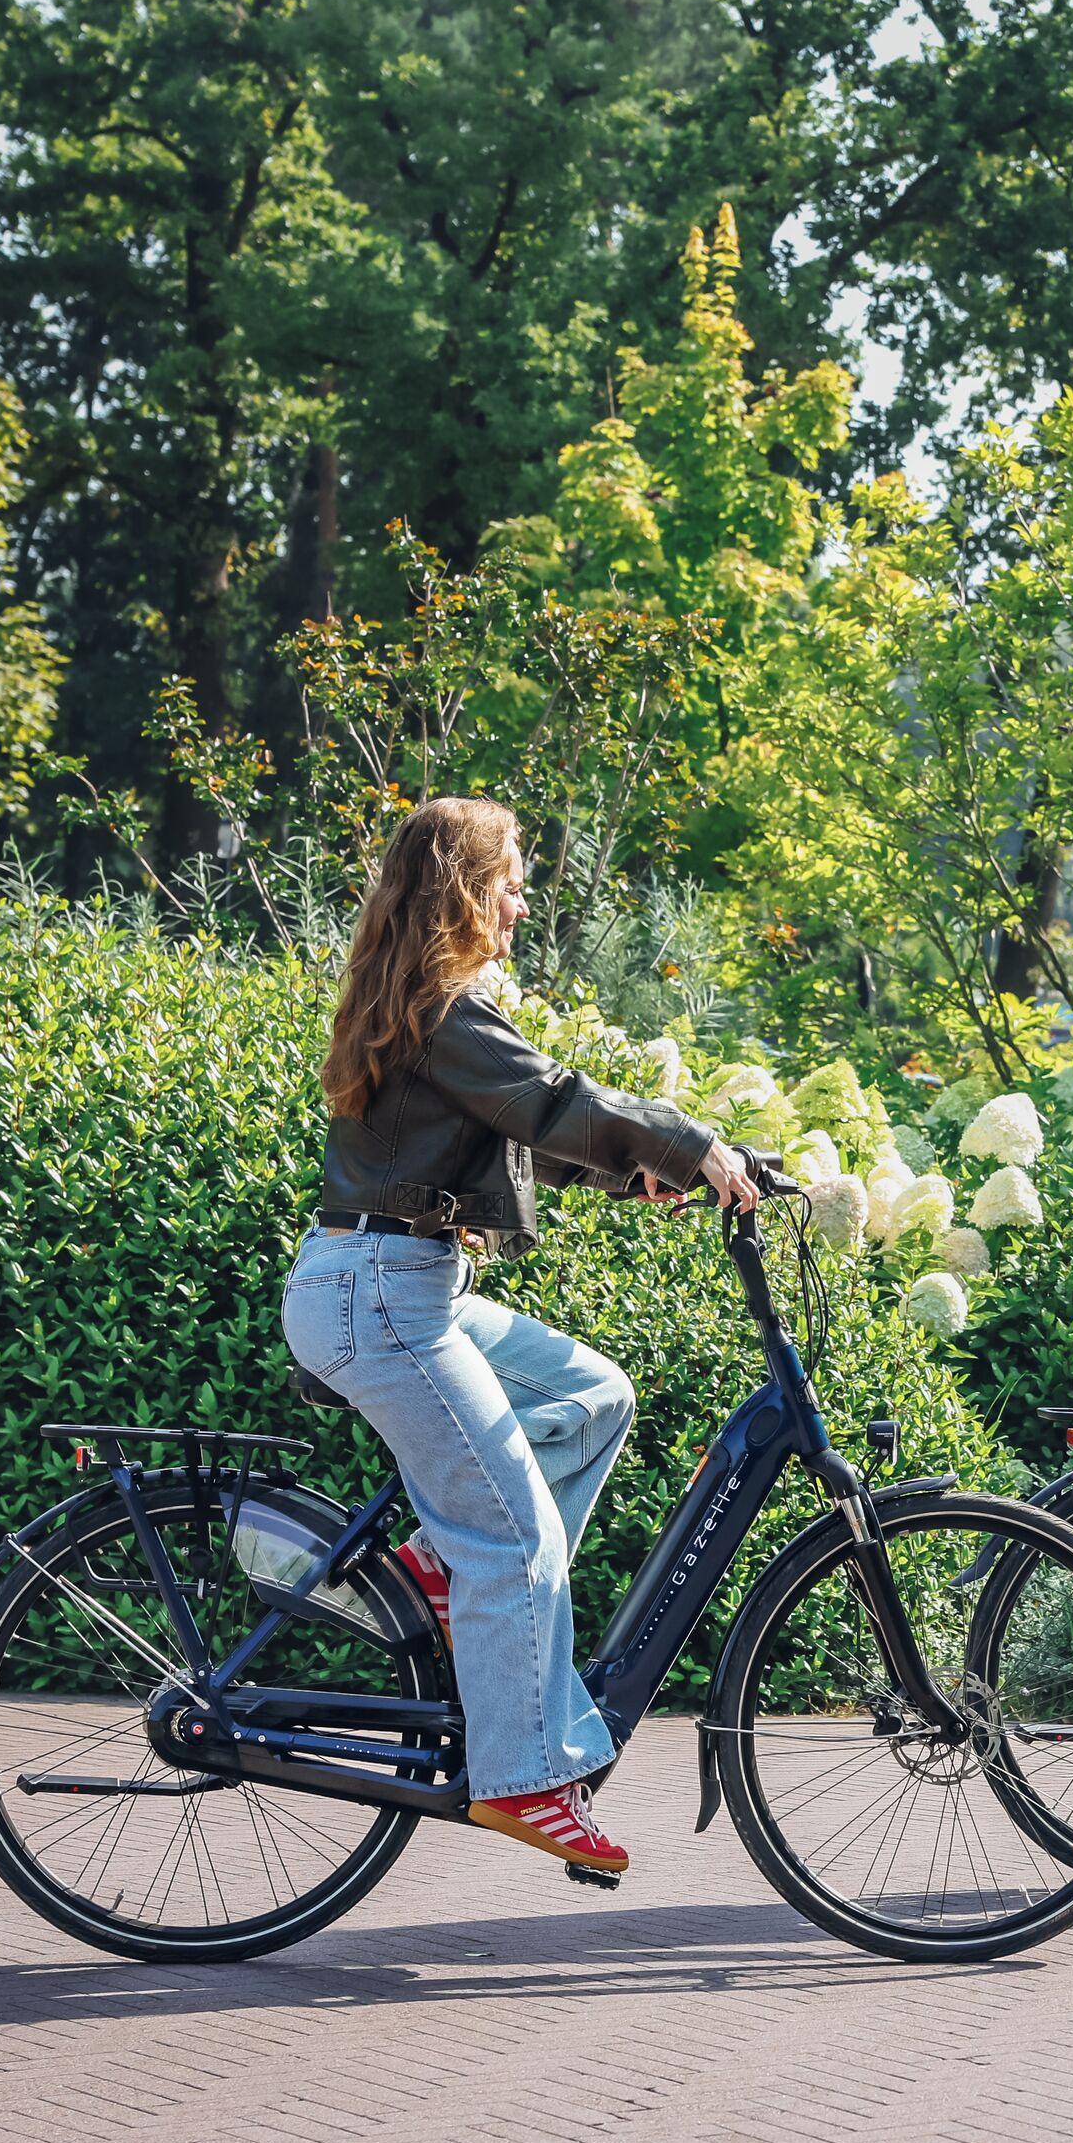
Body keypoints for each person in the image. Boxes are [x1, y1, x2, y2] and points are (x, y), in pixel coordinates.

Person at [283, 796, 757, 1881]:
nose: (523, 898)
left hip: (395, 1285)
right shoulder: (444, 1006)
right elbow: (551, 1098)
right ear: (463, 887)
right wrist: (692, 1146)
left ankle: (441, 1570)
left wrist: (642, 1170)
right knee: (520, 1539)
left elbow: (521, 1129)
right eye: (510, 876)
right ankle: (526, 1778)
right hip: (384, 1295)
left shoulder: (427, 1004)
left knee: (594, 1393)